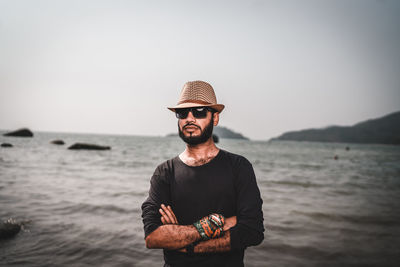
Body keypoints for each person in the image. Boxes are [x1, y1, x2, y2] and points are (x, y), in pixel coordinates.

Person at [141, 80, 264, 266]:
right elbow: (153, 237)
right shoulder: (164, 172)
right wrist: (207, 226)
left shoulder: (238, 166)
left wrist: (186, 243)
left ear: (215, 118)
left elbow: (252, 231)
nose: (189, 118)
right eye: (182, 113)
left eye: (199, 111)